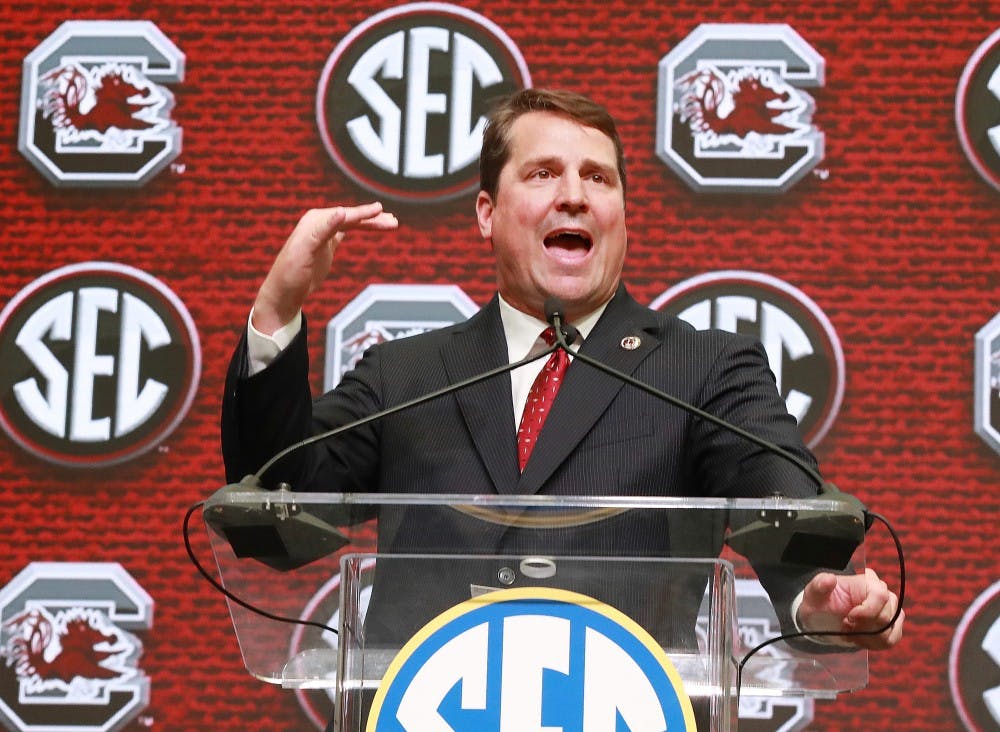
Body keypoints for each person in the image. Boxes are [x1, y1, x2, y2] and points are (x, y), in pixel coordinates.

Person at [221, 88, 902, 658]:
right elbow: (278, 502)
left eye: (598, 177)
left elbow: (790, 525)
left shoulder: (707, 371)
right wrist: (278, 308)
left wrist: (822, 602)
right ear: (487, 213)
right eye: (543, 173)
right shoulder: (407, 374)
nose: (574, 195)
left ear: (621, 216)